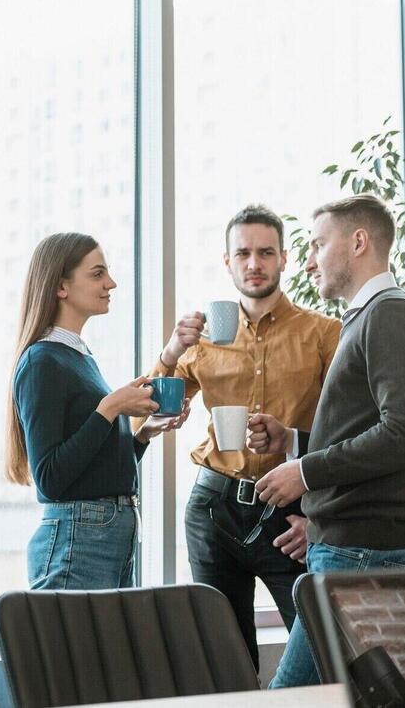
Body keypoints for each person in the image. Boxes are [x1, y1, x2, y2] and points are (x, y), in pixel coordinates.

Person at [247, 193, 405, 688]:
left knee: (288, 699)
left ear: (358, 242)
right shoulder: (369, 317)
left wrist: (305, 472)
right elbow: (369, 428)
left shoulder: (389, 315)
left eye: (318, 244)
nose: (309, 259)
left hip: (361, 552)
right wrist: (296, 441)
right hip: (354, 548)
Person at [135, 205, 340, 672]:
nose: (254, 263)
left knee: (319, 657)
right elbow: (148, 409)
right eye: (243, 253)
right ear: (227, 262)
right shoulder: (202, 339)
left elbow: (348, 434)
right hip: (214, 507)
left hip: (291, 516)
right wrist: (170, 352)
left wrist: (322, 521)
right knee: (225, 660)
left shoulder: (324, 334)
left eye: (266, 252)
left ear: (285, 259)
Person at [6, 232, 188, 591]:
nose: (111, 283)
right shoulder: (42, 360)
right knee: (78, 649)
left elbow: (93, 468)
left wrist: (142, 435)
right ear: (61, 287)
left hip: (106, 531)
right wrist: (111, 407)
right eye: (97, 274)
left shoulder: (78, 357)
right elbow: (50, 479)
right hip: (80, 535)